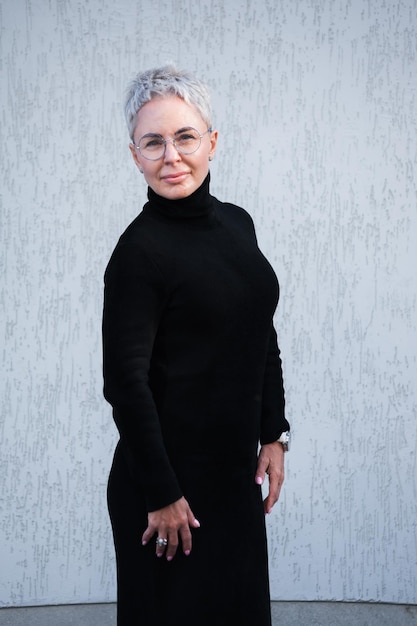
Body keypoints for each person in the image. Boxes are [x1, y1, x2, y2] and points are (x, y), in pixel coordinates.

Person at [102, 65, 290, 626]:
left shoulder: (238, 225)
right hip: (164, 490)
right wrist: (161, 494)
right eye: (153, 142)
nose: (171, 156)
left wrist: (273, 432)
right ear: (134, 155)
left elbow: (261, 331)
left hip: (231, 481)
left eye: (185, 137)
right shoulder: (138, 254)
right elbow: (124, 383)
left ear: (212, 141)